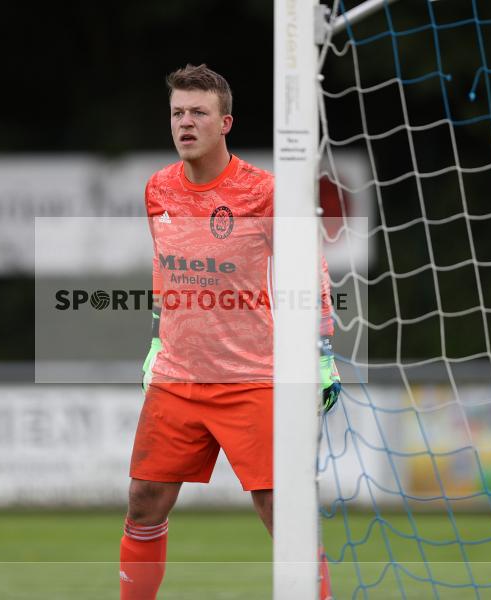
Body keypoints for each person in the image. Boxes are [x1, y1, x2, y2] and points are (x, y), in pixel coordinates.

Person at [119, 63, 341, 600]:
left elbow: (309, 271)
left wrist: (322, 352)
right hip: (178, 376)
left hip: (252, 377)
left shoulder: (263, 192)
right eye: (177, 113)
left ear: (226, 123)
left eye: (198, 112)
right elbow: (165, 269)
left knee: (278, 509)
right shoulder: (158, 189)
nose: (185, 123)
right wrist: (155, 340)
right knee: (144, 499)